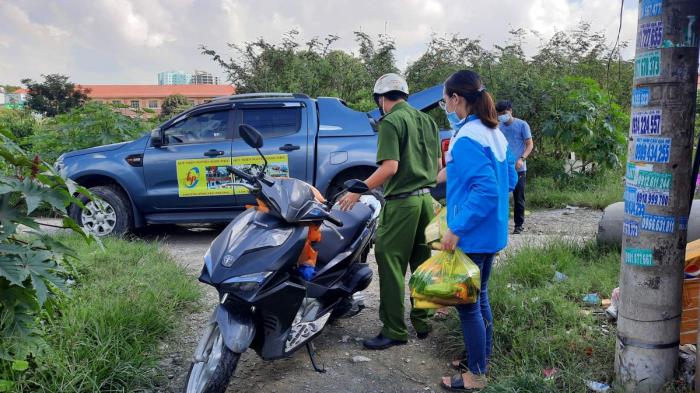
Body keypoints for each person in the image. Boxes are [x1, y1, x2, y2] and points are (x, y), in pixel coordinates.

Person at [338, 73, 441, 350]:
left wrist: (357, 190)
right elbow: (439, 163)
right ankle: (422, 321)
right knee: (422, 264)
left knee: (391, 263)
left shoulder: (391, 121)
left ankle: (394, 330)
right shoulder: (428, 121)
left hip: (403, 203)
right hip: (426, 202)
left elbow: (389, 167)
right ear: (405, 95)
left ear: (381, 99)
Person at [437, 70, 517, 391]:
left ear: (457, 99)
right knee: (480, 297)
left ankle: (476, 376)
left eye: (445, 100)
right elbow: (508, 180)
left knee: (468, 306)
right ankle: (479, 358)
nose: (445, 105)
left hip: (472, 235)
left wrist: (457, 227)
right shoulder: (493, 131)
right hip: (492, 232)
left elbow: (484, 188)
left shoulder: (468, 137)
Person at [495, 100, 533, 234]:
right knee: (500, 197)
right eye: (499, 114)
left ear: (510, 111)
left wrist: (522, 159)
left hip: (519, 168)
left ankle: (518, 226)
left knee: (519, 198)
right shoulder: (498, 127)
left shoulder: (522, 125)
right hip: (503, 168)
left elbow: (529, 144)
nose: (502, 116)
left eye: (504, 113)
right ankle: (500, 225)